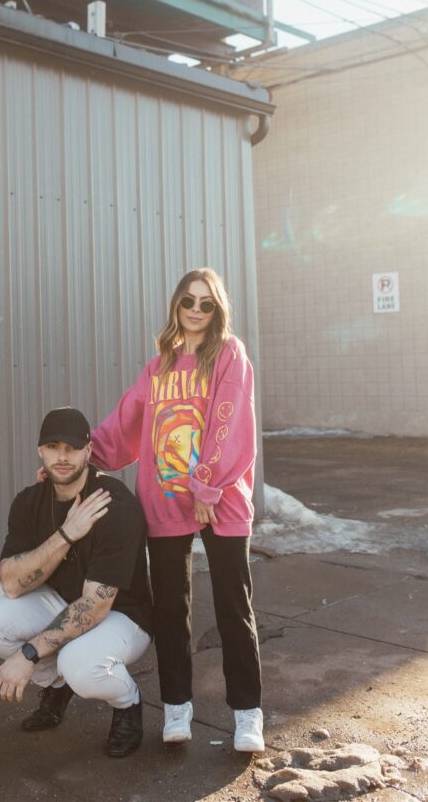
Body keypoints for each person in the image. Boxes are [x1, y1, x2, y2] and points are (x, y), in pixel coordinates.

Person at [90, 267, 264, 752]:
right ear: (175, 305)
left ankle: (247, 713)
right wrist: (81, 457)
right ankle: (176, 705)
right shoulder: (159, 365)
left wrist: (207, 487)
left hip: (221, 500)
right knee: (171, 609)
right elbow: (126, 423)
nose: (195, 310)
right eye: (188, 300)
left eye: (206, 303)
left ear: (217, 310)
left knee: (234, 606)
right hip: (165, 496)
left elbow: (232, 423)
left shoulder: (229, 355)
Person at [0, 406, 153, 758]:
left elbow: (95, 605)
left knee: (79, 664)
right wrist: (66, 535)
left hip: (122, 615)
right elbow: (12, 584)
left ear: (89, 451)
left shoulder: (114, 506)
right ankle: (58, 686)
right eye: (53, 446)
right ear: (40, 450)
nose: (62, 456)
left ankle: (127, 703)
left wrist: (28, 654)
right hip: (60, 601)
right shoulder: (29, 502)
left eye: (72, 448)